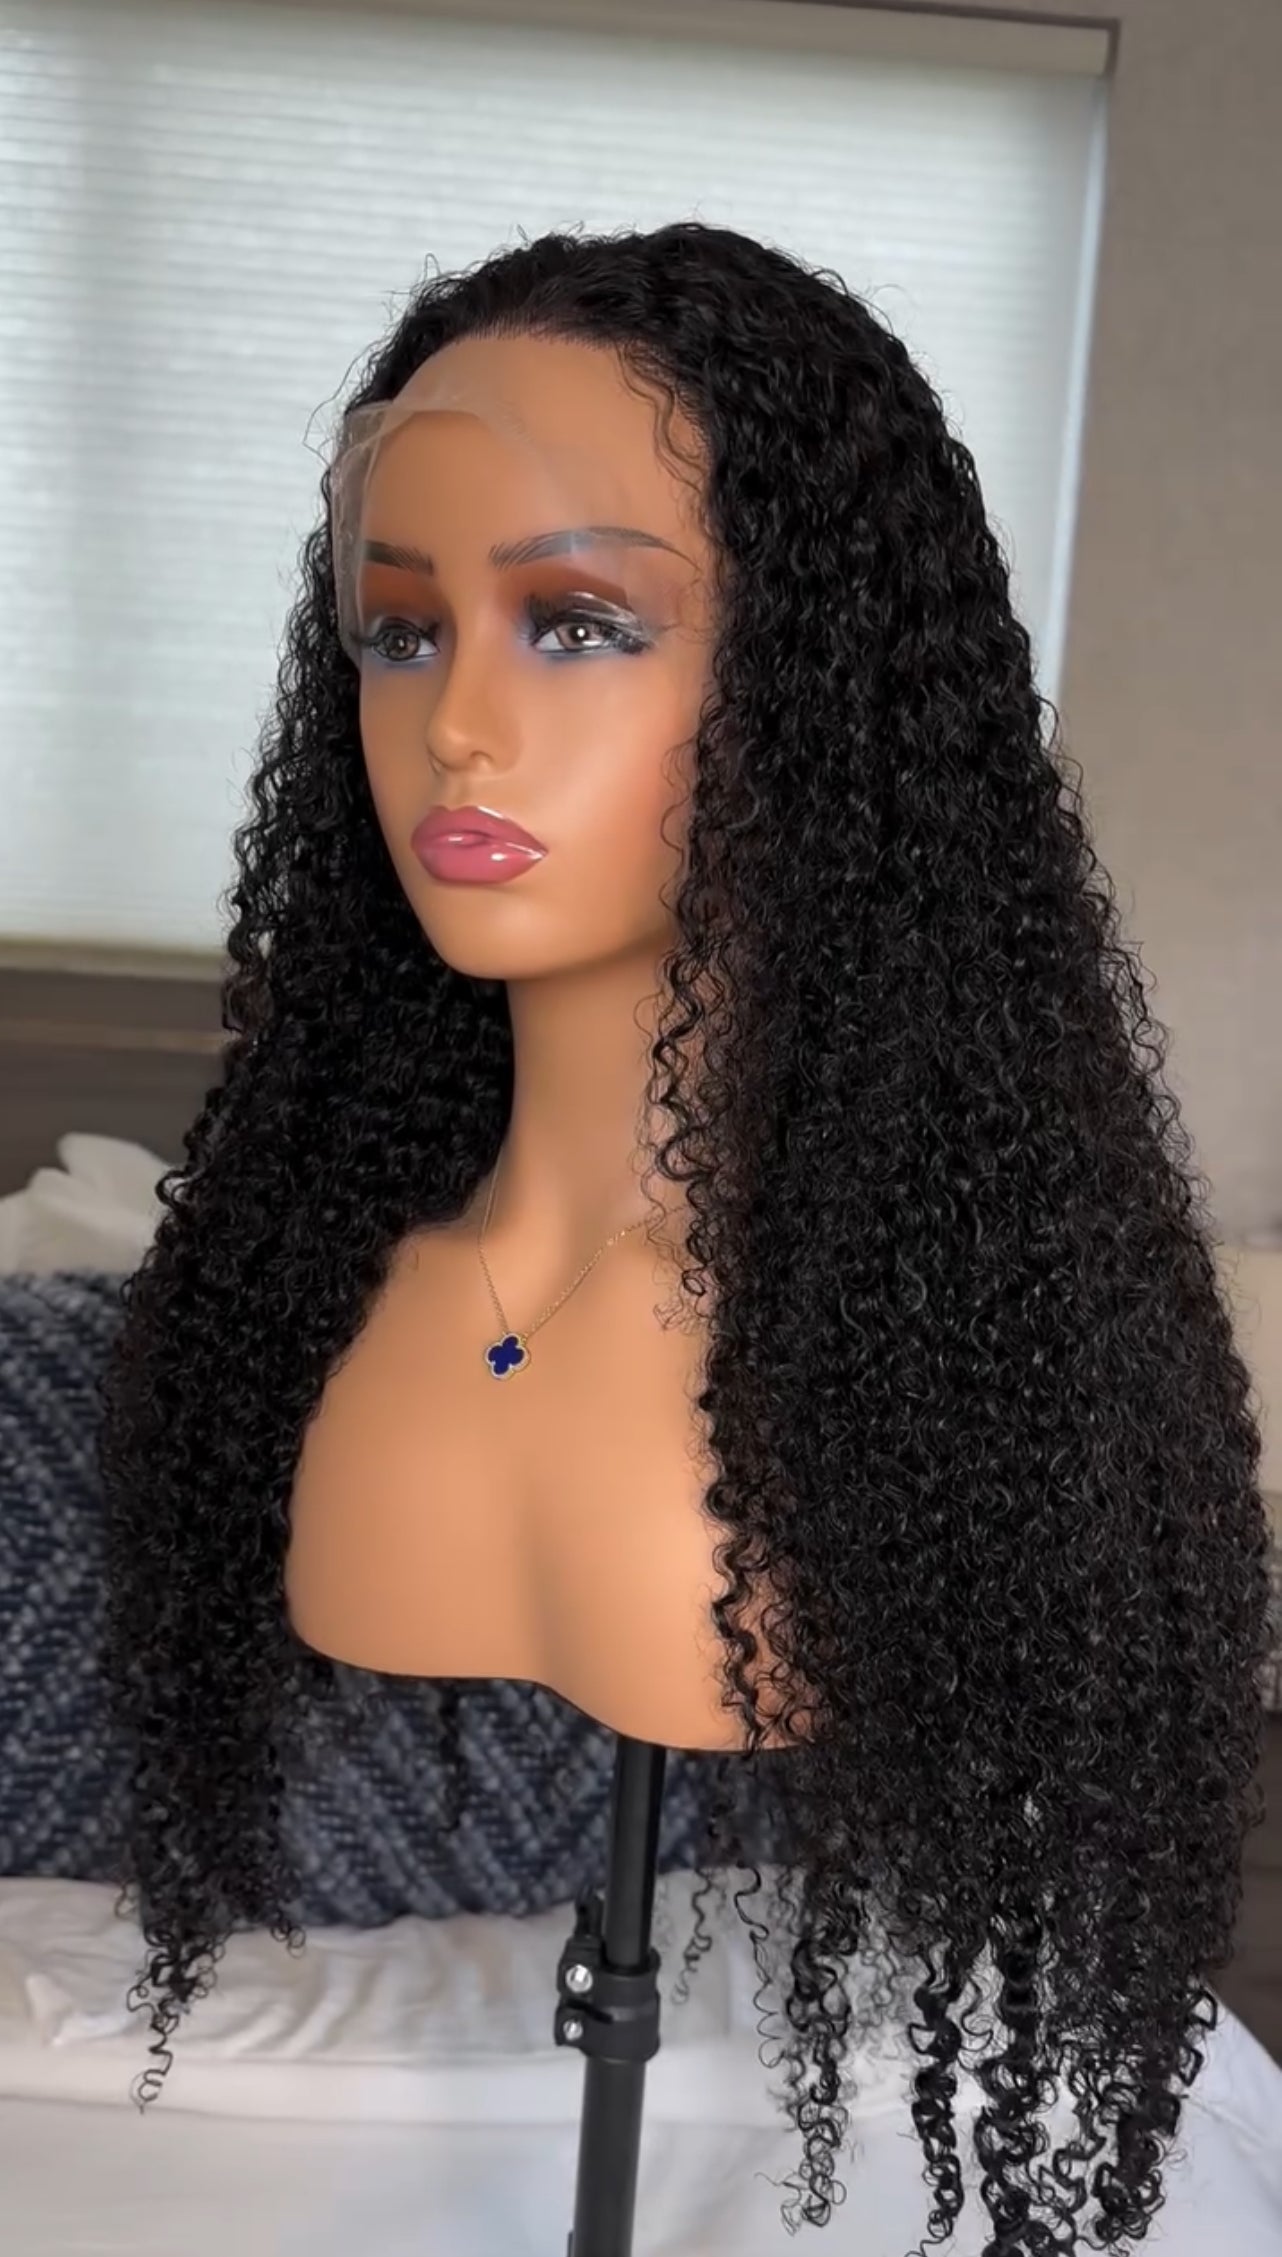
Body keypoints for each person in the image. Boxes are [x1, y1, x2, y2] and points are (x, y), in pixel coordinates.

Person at [96, 220, 1272, 2248]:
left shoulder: (931, 1344)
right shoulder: (314, 1301)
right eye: (400, 630)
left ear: (815, 688)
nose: (458, 725)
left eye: (576, 623)